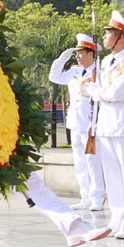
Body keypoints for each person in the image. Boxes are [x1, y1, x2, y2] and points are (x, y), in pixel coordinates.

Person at [83, 10, 124, 239]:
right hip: (106, 126)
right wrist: (94, 122)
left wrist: (95, 91)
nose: (105, 36)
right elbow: (99, 94)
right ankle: (116, 218)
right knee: (112, 177)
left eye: (109, 32)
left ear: (121, 37)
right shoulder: (106, 61)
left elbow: (117, 93)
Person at [48, 34, 104, 210]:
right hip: (74, 123)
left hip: (90, 124)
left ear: (91, 53)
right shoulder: (74, 72)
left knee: (92, 162)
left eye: (80, 52)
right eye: (76, 53)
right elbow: (54, 76)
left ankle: (97, 197)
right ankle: (85, 196)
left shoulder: (99, 72)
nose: (78, 56)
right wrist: (65, 56)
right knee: (79, 162)